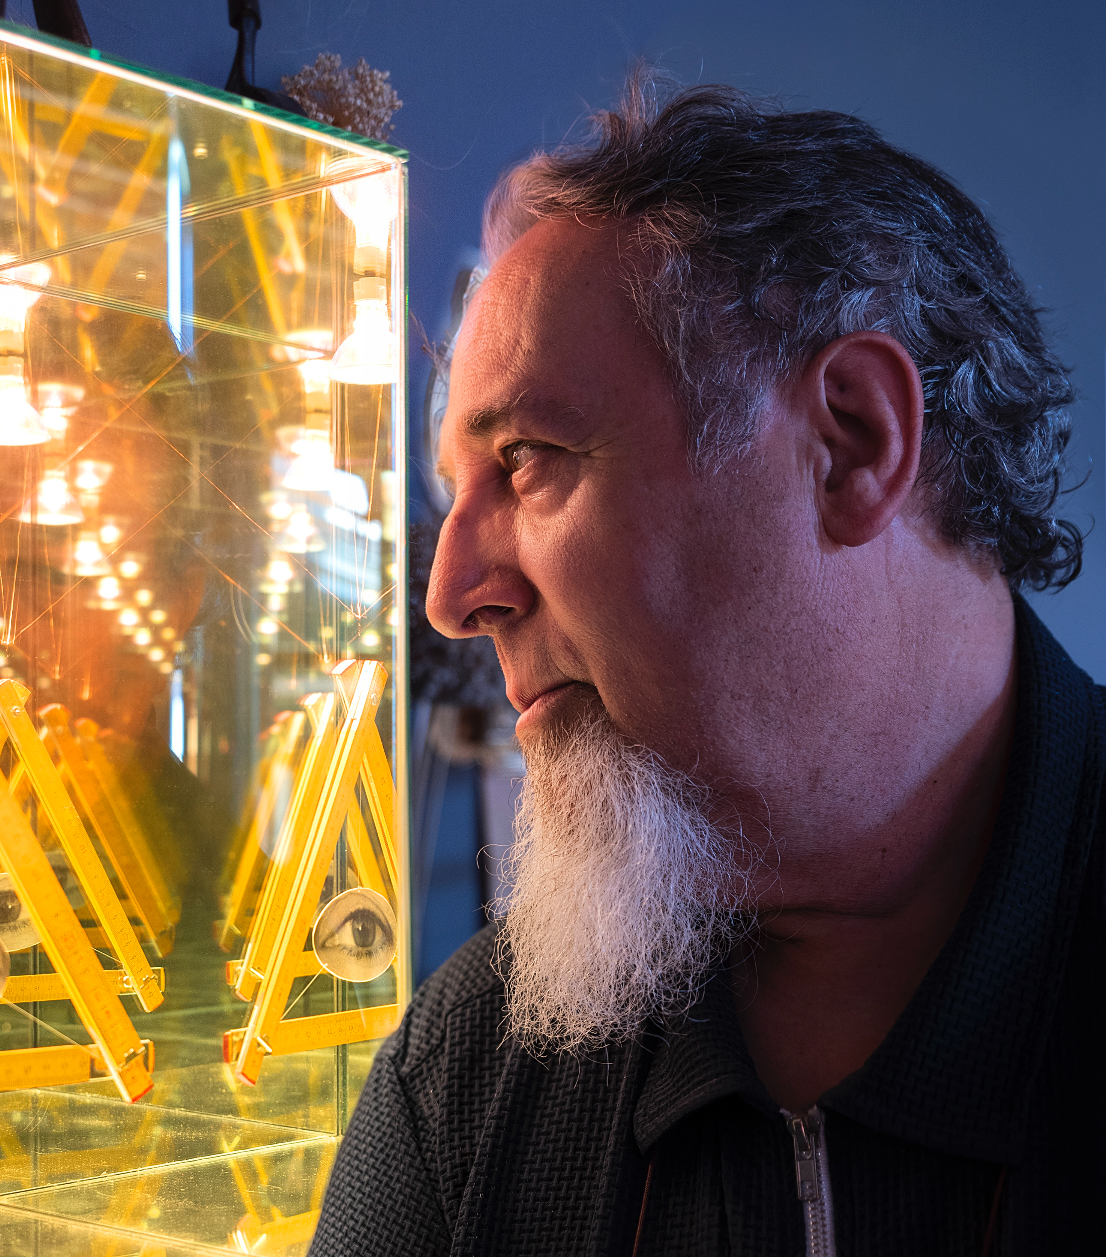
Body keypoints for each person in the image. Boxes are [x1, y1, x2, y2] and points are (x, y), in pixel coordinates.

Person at [311, 70, 1103, 1256]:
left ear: (849, 442)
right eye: (453, 491)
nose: (449, 596)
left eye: (525, 459)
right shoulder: (464, 1073)